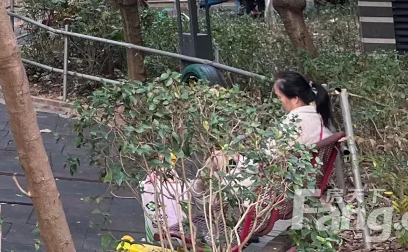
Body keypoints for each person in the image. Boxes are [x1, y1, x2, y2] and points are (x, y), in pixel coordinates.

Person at [140, 70, 332, 237]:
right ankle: (196, 193)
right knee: (222, 157)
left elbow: (268, 161)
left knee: (217, 162)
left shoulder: (293, 123)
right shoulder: (317, 120)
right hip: (289, 187)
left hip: (270, 192)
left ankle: (199, 203)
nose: (280, 101)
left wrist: (240, 159)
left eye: (280, 97)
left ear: (295, 98)